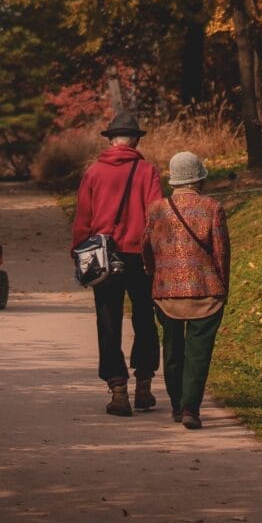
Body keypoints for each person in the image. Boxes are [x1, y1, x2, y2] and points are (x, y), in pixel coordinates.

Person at [69, 109, 165, 416]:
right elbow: (156, 215)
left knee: (108, 321)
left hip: (104, 256)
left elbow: (83, 218)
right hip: (141, 256)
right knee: (144, 319)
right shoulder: (147, 171)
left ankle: (118, 388)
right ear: (135, 141)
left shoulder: (94, 173)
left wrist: (78, 251)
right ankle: (144, 385)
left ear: (112, 140)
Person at [143, 149, 230, 430]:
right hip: (205, 291)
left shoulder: (157, 208)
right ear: (199, 179)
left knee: (172, 348)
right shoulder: (212, 208)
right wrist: (223, 284)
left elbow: (146, 248)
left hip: (167, 291)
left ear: (174, 180)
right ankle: (191, 407)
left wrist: (153, 274)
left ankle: (177, 404)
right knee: (198, 352)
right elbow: (221, 253)